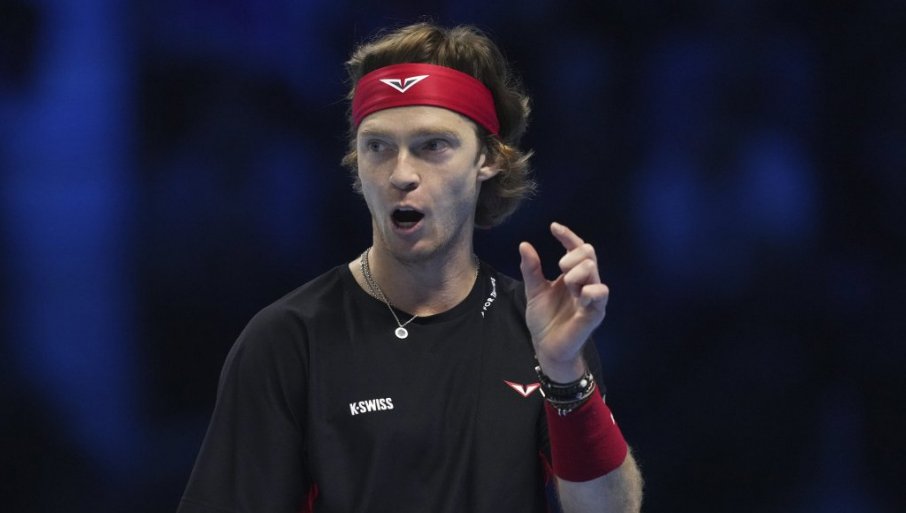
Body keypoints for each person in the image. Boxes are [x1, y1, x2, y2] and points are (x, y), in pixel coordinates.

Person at [177, 22, 643, 513]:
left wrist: (564, 373)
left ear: (487, 159)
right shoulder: (287, 341)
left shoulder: (541, 332)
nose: (401, 174)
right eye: (377, 146)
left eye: (432, 146)